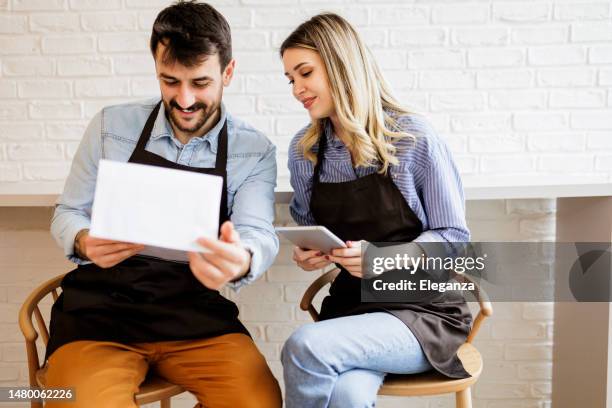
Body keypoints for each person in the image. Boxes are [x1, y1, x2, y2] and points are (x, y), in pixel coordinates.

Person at [43, 2, 281, 407]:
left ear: (228, 72)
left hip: (195, 315)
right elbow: (68, 212)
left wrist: (239, 259)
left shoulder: (253, 150)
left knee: (259, 401)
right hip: (100, 316)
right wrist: (84, 241)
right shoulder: (110, 126)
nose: (184, 100)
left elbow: (259, 233)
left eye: (200, 83)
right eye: (170, 81)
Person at [280, 13, 473, 408]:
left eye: (305, 73)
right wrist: (309, 250)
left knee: (303, 345)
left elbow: (453, 240)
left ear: (340, 65)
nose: (297, 89)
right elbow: (310, 224)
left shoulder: (413, 139)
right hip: (352, 311)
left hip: (422, 312)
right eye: (290, 79)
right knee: (346, 396)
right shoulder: (305, 152)